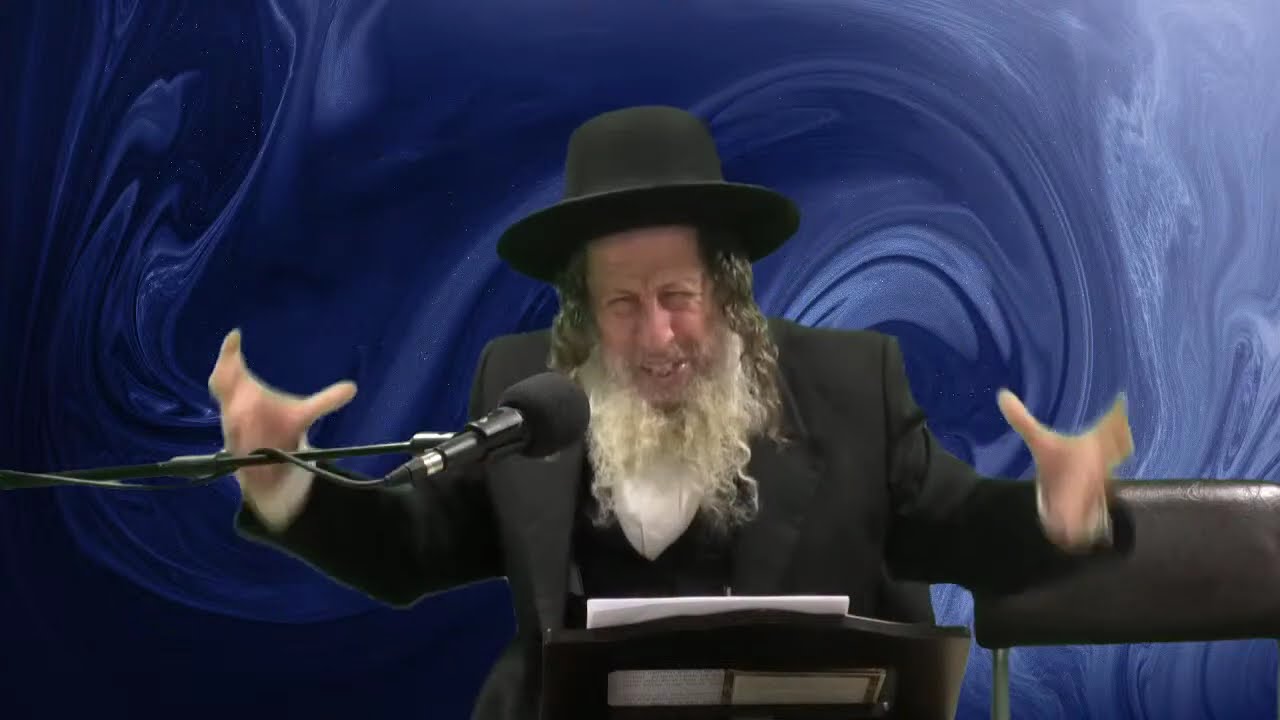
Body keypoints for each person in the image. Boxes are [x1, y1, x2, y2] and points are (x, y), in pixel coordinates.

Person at [211, 105, 1136, 719]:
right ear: (582, 313)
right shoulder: (522, 390)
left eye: (678, 296)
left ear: (726, 290)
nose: (657, 335)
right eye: (621, 304)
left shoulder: (851, 385)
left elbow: (958, 526)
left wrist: (1059, 509)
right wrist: (282, 481)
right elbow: (409, 547)